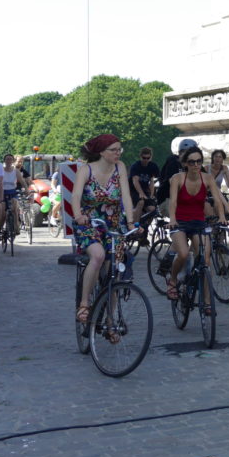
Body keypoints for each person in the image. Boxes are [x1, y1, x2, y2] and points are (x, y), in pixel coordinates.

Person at [71, 134, 138, 325]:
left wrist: (131, 223)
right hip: (89, 223)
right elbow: (75, 196)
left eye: (119, 149)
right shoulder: (86, 170)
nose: (118, 153)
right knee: (98, 255)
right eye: (113, 150)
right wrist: (78, 215)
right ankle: (84, 304)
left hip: (113, 223)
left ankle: (110, 320)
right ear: (101, 152)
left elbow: (126, 196)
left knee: (114, 271)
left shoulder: (120, 167)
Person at [165, 146, 229, 300]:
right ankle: (172, 280)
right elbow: (173, 202)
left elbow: (217, 200)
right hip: (180, 222)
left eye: (199, 161)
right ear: (185, 163)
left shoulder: (208, 178)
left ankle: (207, 303)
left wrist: (222, 216)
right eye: (192, 162)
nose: (196, 165)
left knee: (205, 262)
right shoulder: (177, 178)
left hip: (198, 223)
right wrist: (172, 219)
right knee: (183, 253)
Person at [128, 147, 160, 219]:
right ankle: (136, 224)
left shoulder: (153, 166)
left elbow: (151, 181)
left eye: (148, 158)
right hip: (133, 190)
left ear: (151, 157)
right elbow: (135, 181)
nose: (146, 160)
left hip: (145, 190)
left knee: (152, 209)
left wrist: (151, 194)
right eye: (144, 158)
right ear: (140, 157)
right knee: (141, 202)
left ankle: (146, 224)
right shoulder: (135, 166)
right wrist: (141, 193)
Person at [1, 154, 29, 236]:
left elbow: (22, 181)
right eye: (7, 159)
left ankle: (16, 226)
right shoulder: (1, 170)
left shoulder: (16, 171)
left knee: (15, 209)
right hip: (2, 192)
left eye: (10, 159)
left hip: (12, 192)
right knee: (2, 212)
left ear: (13, 161)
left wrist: (26, 189)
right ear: (4, 161)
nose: (9, 161)